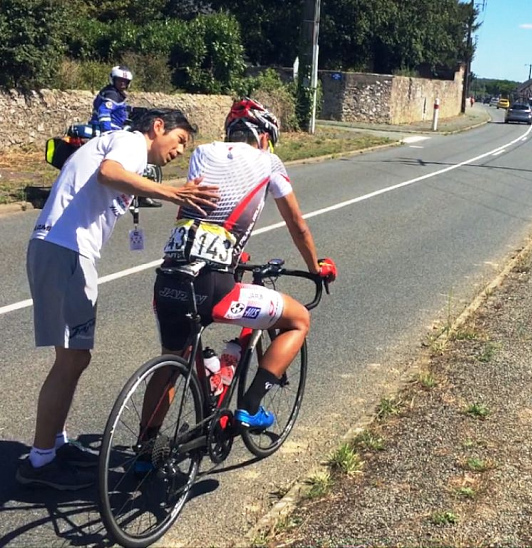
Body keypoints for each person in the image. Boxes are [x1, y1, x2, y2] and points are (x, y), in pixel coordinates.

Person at [17, 108, 220, 490]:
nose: (178, 152)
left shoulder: (122, 148)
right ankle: (40, 461)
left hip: (64, 250)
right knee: (73, 357)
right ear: (158, 127)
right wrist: (171, 192)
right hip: (66, 251)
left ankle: (54, 445)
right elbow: (109, 174)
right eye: (179, 141)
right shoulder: (130, 143)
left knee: (72, 356)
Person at [141, 98, 336, 464]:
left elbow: (205, 210)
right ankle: (249, 406)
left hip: (170, 276)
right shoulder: (268, 161)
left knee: (172, 361)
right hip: (212, 284)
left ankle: (144, 447)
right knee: (298, 319)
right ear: (264, 137)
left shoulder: (202, 153)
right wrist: (316, 266)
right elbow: (297, 224)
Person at [90, 65, 162, 207]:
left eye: (125, 81)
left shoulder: (111, 92)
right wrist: (108, 132)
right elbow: (105, 112)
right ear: (113, 79)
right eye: (119, 80)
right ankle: (142, 195)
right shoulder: (112, 95)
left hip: (109, 130)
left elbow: (117, 110)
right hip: (113, 132)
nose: (122, 83)